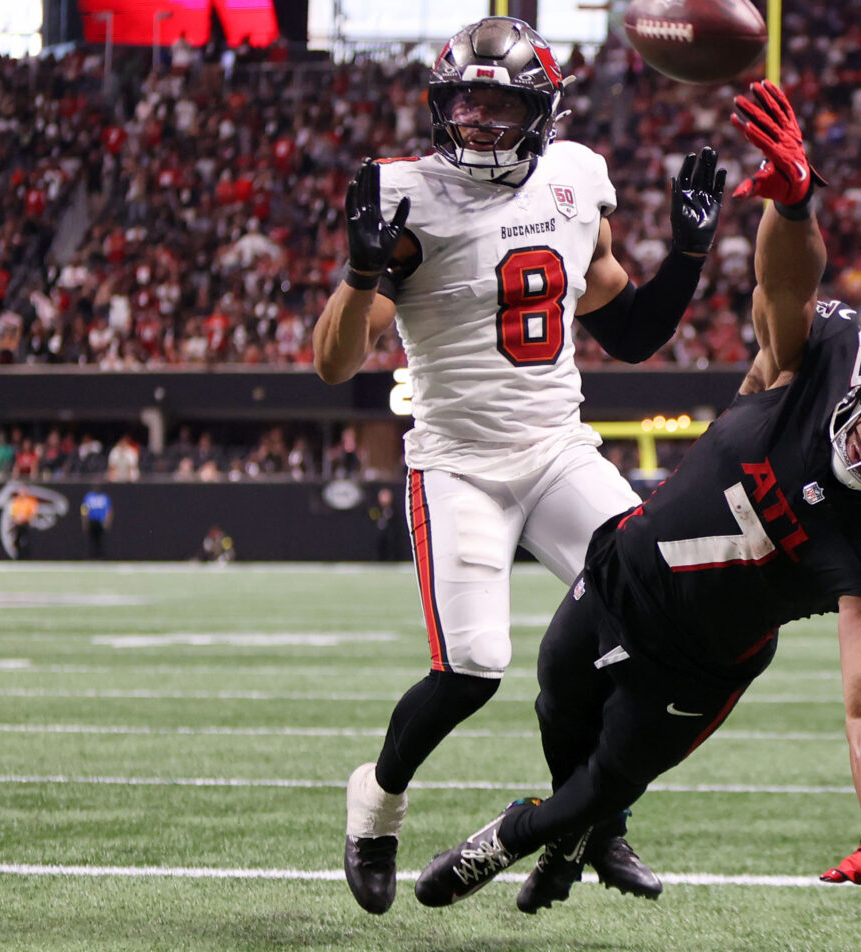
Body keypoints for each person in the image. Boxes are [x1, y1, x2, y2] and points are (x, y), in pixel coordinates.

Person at [412, 81, 861, 914]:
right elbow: (784, 292)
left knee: (597, 785)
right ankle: (579, 847)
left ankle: (515, 839)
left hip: (700, 664)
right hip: (621, 568)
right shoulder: (817, 371)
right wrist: (798, 205)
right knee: (557, 698)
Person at [312, 17, 725, 916]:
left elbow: (629, 333)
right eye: (464, 101)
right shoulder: (401, 194)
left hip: (556, 450)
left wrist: (689, 255)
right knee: (473, 666)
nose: (479, 122)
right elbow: (335, 362)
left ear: (541, 112)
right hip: (457, 462)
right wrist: (356, 274)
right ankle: (376, 802)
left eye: (500, 104)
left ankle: (596, 822)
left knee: (650, 615)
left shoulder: (577, 176)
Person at [81, 485, 113, 560]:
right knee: (96, 539)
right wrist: (108, 521)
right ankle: (97, 556)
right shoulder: (104, 497)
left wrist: (84, 521)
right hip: (98, 520)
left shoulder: (89, 497)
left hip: (95, 520)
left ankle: (96, 556)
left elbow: (84, 510)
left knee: (96, 539)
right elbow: (109, 511)